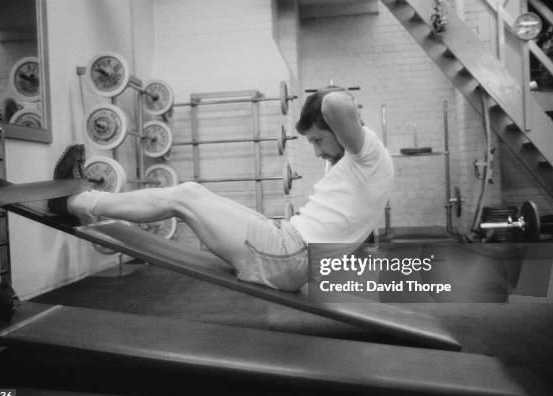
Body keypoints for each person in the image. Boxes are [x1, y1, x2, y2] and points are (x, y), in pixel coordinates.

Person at [49, 91, 393, 292]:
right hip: (287, 247)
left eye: (318, 139)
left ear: (340, 130)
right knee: (192, 192)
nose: (317, 151)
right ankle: (81, 200)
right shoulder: (359, 165)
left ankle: (76, 200)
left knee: (183, 197)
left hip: (288, 255)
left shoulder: (368, 154)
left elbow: (334, 102)